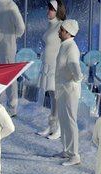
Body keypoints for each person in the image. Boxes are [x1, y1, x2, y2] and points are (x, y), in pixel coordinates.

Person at [53, 19, 82, 166]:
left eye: (62, 30)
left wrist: (76, 76)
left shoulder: (71, 48)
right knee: (63, 119)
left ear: (69, 33)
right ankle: (66, 149)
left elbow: (75, 68)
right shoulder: (64, 46)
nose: (59, 32)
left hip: (70, 90)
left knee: (70, 120)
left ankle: (75, 154)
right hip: (63, 89)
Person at [37, 0, 66, 140]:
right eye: (48, 8)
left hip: (55, 66)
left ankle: (60, 128)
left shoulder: (61, 26)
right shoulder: (51, 25)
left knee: (57, 97)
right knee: (52, 97)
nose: (48, 11)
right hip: (48, 65)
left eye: (51, 9)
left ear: (57, 11)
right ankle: (52, 125)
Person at [0, 0, 25, 117]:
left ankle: (12, 108)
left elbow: (21, 27)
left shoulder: (11, 6)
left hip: (7, 47)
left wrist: (12, 37)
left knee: (10, 77)